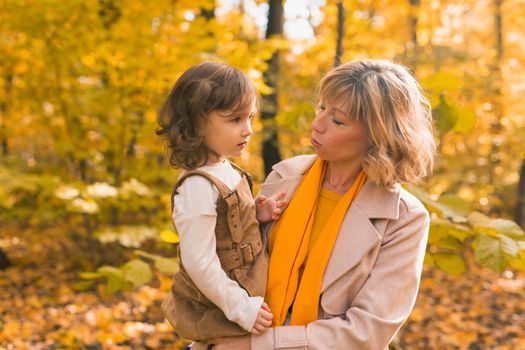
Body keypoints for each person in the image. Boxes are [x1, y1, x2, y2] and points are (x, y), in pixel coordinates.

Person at [211, 59, 436, 350]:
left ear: (377, 135)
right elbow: (233, 268)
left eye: (338, 120)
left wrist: (256, 345)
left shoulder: (404, 219)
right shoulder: (284, 176)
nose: (317, 124)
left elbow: (366, 332)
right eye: (322, 108)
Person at [156, 61, 286, 348]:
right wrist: (241, 308)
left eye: (250, 118)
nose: (248, 130)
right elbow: (198, 262)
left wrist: (256, 215)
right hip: (221, 300)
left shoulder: (224, 167)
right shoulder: (196, 187)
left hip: (249, 280)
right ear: (197, 122)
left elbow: (228, 227)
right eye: (235, 119)